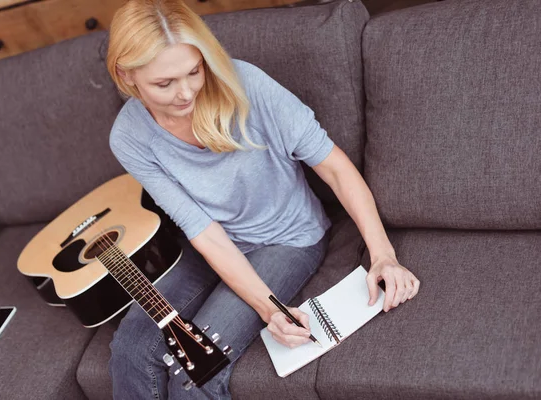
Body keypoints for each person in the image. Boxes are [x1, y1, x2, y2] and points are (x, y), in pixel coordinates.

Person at [106, 0, 420, 398]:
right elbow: (201, 229)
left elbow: (336, 169)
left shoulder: (247, 85)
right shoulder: (129, 137)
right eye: (163, 84)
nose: (185, 92)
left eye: (193, 71)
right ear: (127, 76)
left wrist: (383, 255)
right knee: (131, 351)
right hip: (210, 246)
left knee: (195, 375)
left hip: (286, 240)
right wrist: (266, 307)